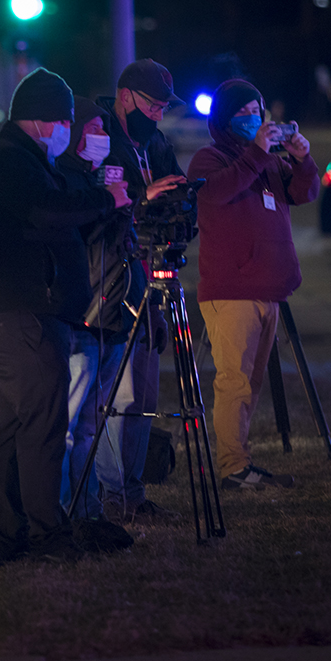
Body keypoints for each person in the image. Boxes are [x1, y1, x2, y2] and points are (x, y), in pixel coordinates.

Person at [0, 69, 129, 569]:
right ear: (40, 120)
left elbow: (63, 220)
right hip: (24, 315)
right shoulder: (12, 161)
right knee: (39, 426)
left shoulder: (28, 159)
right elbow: (47, 211)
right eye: (63, 119)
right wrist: (107, 198)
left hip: (26, 314)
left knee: (16, 426)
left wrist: (109, 203)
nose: (67, 128)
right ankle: (43, 532)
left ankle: (9, 536)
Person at [187, 79, 319, 490]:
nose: (254, 118)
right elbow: (216, 194)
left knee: (252, 382)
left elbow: (304, 192)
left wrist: (301, 159)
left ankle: (239, 462)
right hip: (231, 291)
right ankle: (231, 466)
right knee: (233, 382)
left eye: (258, 109)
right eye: (244, 112)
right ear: (226, 118)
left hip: (269, 288)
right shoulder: (209, 160)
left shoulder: (268, 162)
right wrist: (257, 152)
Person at [94, 59, 186, 523]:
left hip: (152, 275)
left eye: (165, 107)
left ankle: (132, 488)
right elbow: (94, 209)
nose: (158, 115)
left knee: (146, 396)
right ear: (126, 96)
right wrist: (142, 197)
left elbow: (177, 193)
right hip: (115, 279)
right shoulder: (99, 138)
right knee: (124, 394)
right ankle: (115, 492)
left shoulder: (157, 143)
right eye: (153, 105)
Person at [57, 97, 136, 524]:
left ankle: (87, 509)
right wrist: (107, 202)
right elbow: (77, 237)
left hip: (109, 315)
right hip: (80, 316)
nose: (102, 138)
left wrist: (128, 205)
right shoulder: (65, 182)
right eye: (94, 129)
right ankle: (62, 509)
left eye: (106, 130)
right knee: (69, 427)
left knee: (89, 425)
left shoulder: (101, 179)